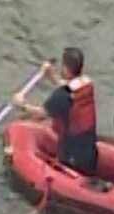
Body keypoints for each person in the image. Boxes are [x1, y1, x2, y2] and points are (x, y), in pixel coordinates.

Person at [12, 47, 99, 178]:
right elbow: (66, 85)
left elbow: (41, 114)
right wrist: (51, 75)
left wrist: (22, 105)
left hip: (72, 155)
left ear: (65, 68)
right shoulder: (86, 84)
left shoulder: (62, 95)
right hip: (90, 151)